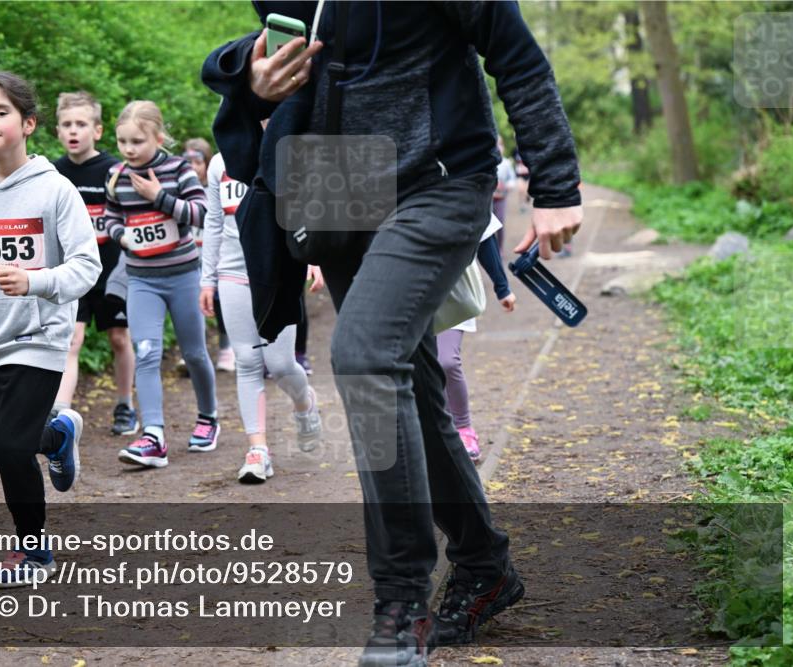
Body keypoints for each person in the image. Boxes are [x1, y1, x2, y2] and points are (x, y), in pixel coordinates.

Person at [204, 2, 583, 664]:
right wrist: (252, 80)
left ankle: (402, 599)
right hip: (335, 186)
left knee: (364, 358)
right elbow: (302, 43)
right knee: (407, 384)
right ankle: (484, 566)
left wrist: (554, 184)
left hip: (437, 176)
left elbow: (515, 55)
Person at [0, 71, 101, 587]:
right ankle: (55, 435)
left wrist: (35, 281)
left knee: (10, 448)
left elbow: (86, 266)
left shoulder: (55, 190)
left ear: (28, 123)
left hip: (39, 337)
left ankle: (34, 552)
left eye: (0, 112)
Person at [106, 101, 220, 468]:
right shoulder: (116, 176)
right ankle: (153, 435)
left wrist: (160, 198)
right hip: (142, 280)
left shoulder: (178, 169)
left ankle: (208, 418)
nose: (128, 149)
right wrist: (122, 236)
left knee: (195, 353)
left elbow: (201, 213)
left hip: (183, 275)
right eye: (122, 141)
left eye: (137, 141)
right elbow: (111, 217)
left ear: (158, 138)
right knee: (146, 352)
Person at [198, 151, 323, 483]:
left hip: (278, 271)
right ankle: (257, 450)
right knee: (247, 361)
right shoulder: (219, 164)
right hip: (232, 272)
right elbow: (213, 222)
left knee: (280, 365)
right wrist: (207, 280)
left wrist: (313, 257)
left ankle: (305, 403)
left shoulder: (285, 155)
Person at [51, 91, 138, 436]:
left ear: (97, 130)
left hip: (113, 271)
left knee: (119, 338)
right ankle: (61, 414)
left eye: (81, 124)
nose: (73, 130)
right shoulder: (52, 173)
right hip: (72, 273)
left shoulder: (115, 171)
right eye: (67, 124)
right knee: (72, 340)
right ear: (58, 131)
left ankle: (125, 405)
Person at [437, 234, 517, 463]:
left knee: (446, 361)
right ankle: (437, 430)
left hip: (454, 293)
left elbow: (484, 233)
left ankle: (463, 428)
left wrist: (502, 287)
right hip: (407, 291)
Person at [183, 137, 236, 373]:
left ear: (206, 162)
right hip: (190, 259)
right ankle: (195, 350)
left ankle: (227, 348)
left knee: (221, 303)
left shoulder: (215, 188)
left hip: (217, 258)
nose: (193, 167)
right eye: (188, 162)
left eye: (197, 161)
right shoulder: (182, 191)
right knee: (192, 306)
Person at [492, 135, 517, 256]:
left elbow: (512, 179)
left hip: (501, 198)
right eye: (495, 145)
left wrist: (507, 186)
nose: (498, 148)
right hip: (488, 200)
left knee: (500, 222)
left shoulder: (506, 163)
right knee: (487, 225)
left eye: (500, 145)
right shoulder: (488, 163)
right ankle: (490, 250)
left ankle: (500, 248)